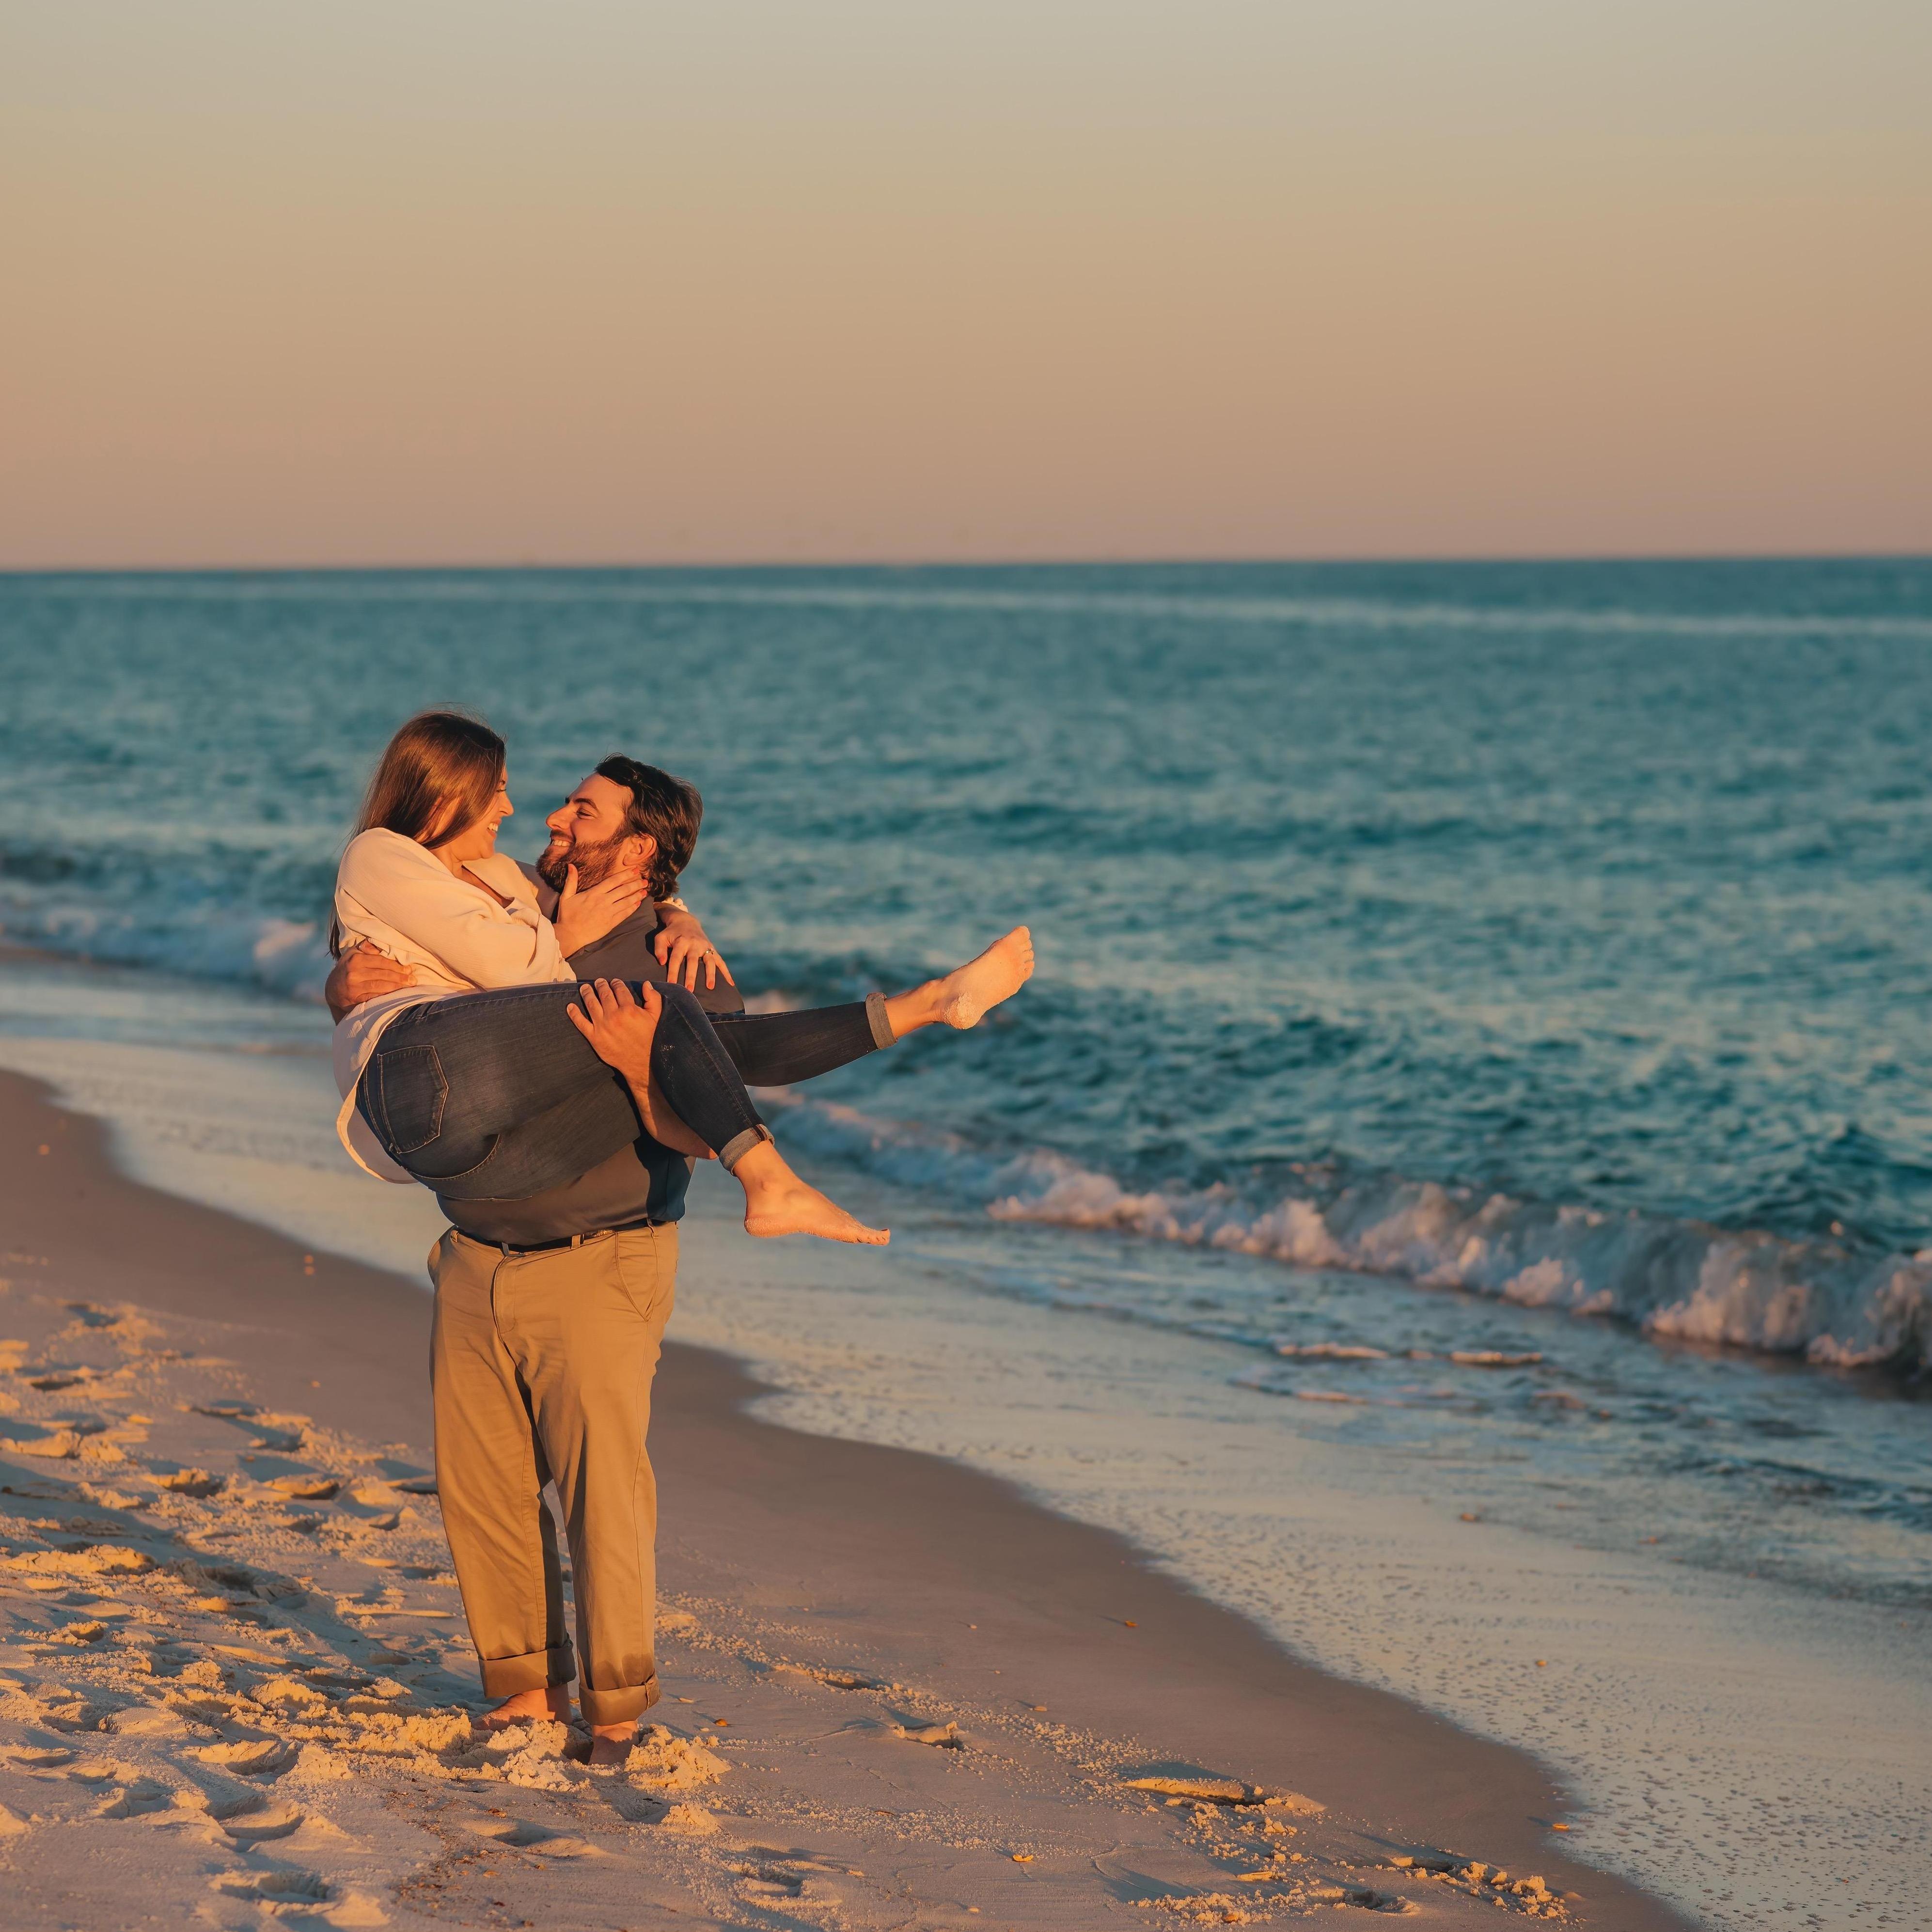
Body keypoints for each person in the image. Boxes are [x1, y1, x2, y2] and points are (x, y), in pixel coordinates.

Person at [325, 712, 1034, 1762]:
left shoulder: (678, 966)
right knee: (481, 1489)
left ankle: (613, 1715)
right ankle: (521, 1694)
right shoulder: (520, 892)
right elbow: (417, 927)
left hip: (596, 1254)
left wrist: (641, 1052)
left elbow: (684, 1129)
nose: (554, 817)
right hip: (477, 1246)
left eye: (583, 809)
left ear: (640, 848)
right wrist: (345, 981)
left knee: (602, 1495)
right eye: (555, 800)